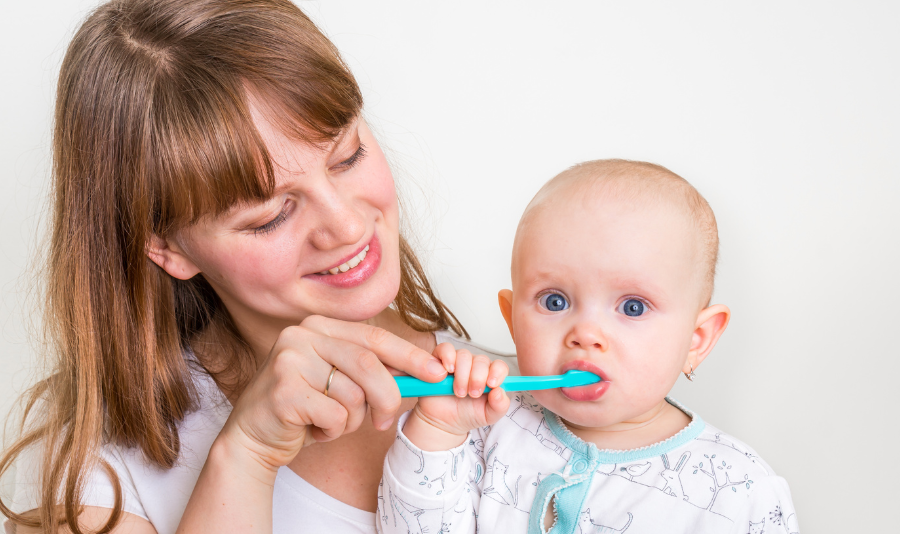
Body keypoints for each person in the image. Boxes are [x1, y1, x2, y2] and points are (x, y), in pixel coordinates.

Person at [0, 1, 517, 533]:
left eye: (348, 156)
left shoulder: (526, 397)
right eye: (270, 217)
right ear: (167, 248)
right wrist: (245, 454)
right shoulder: (95, 467)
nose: (345, 225)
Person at [377, 160, 799, 534]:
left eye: (632, 307)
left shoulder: (739, 491)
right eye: (554, 301)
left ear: (697, 340)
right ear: (512, 320)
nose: (586, 333)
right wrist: (437, 431)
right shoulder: (483, 428)